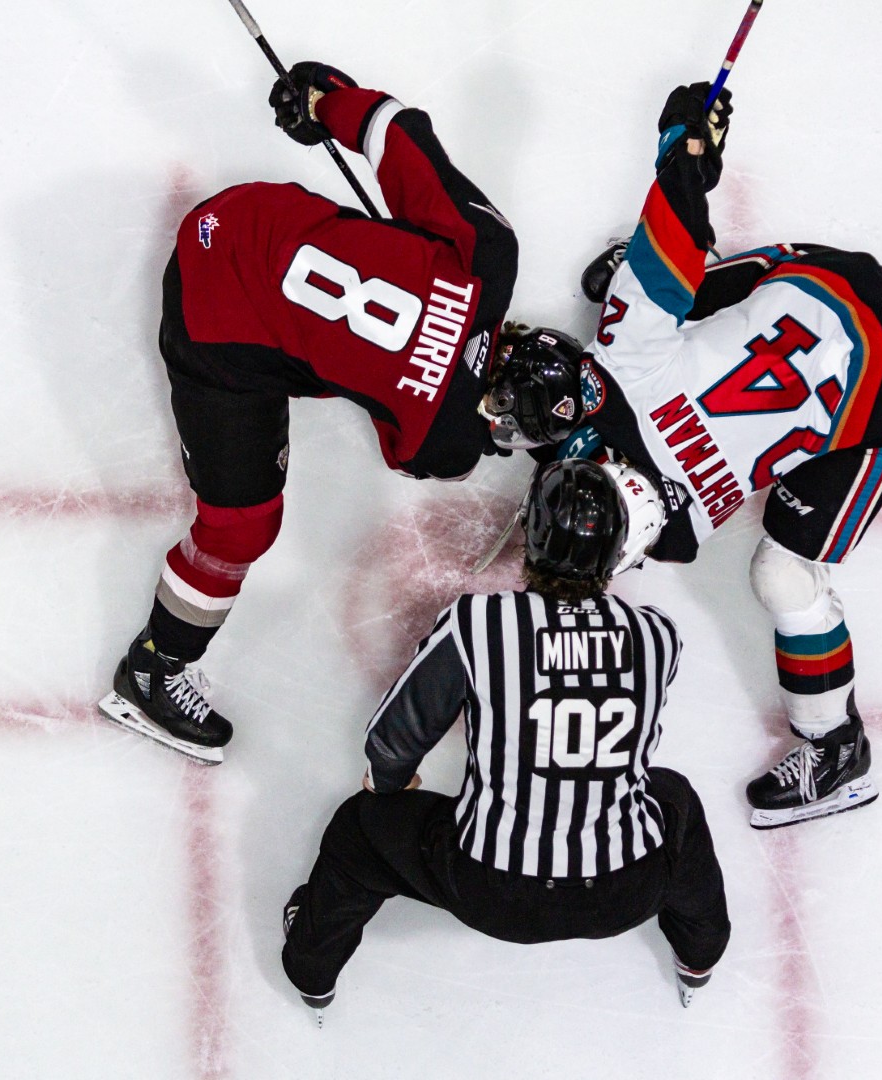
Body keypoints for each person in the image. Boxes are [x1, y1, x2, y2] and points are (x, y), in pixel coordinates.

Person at [97, 61, 584, 763]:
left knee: (351, 284)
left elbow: (401, 135)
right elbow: (400, 437)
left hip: (234, 216)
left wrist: (325, 100)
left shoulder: (489, 257)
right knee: (241, 528)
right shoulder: (443, 445)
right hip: (212, 325)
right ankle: (153, 672)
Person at [509, 83, 882, 828]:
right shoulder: (627, 362)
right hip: (840, 287)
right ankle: (829, 739)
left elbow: (611, 495)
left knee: (783, 572)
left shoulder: (679, 533)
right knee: (655, 287)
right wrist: (687, 146)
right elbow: (672, 227)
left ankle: (838, 748)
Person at [280, 458, 730, 1022]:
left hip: (494, 890)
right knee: (674, 798)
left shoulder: (479, 622)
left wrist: (389, 783)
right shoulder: (658, 634)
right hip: (626, 889)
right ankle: (700, 955)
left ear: (532, 535)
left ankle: (311, 972)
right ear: (619, 547)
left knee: (356, 833)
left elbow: (392, 745)